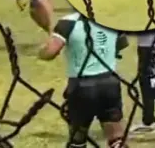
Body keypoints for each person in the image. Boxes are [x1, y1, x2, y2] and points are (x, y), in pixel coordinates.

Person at [38, 12, 129, 148]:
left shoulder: (68, 22)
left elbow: (51, 51)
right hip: (109, 82)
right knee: (116, 136)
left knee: (78, 137)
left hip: (81, 86)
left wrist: (40, 51)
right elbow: (122, 43)